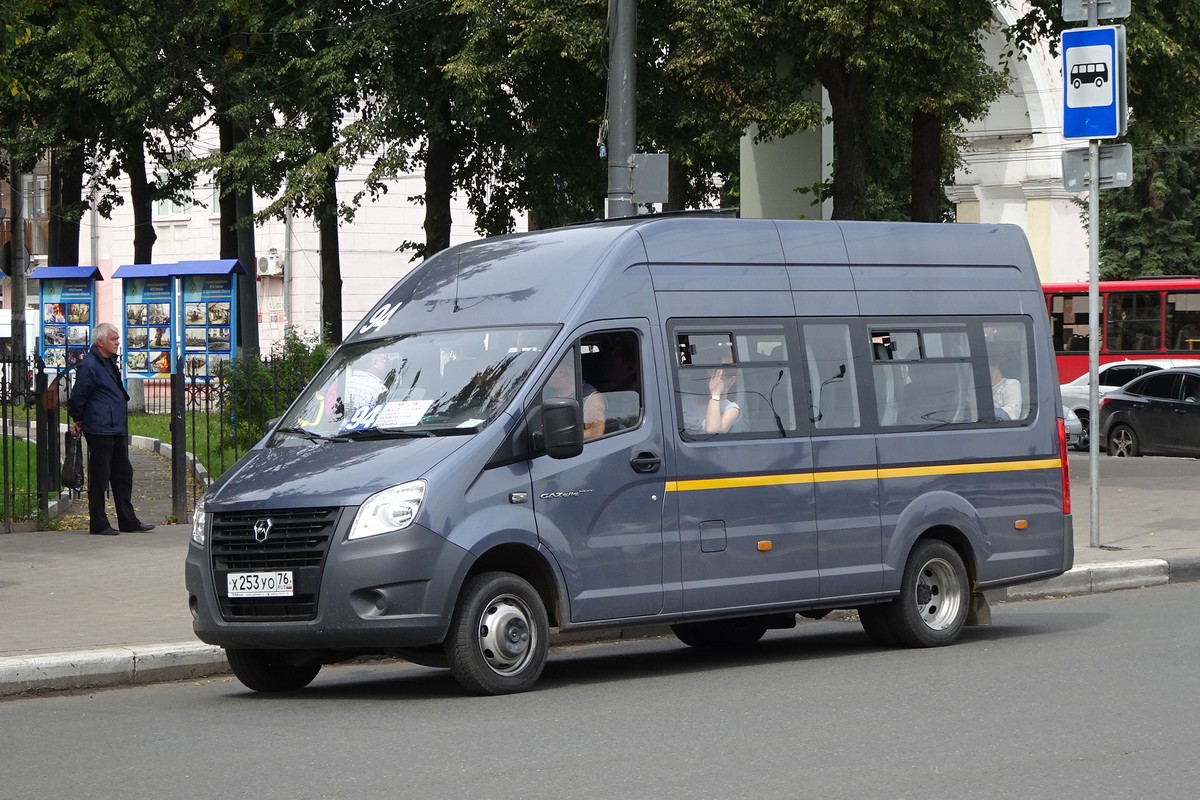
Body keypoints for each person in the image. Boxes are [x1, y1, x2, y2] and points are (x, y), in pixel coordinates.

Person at [67, 322, 155, 535]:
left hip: (115, 427)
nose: (117, 343)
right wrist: (79, 419)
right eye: (113, 340)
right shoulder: (89, 366)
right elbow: (78, 397)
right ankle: (98, 523)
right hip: (100, 429)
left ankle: (128, 521)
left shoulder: (107, 362)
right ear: (100, 342)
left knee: (123, 474)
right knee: (100, 476)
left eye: (117, 339)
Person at [544, 353, 606, 440]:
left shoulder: (590, 398)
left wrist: (563, 439)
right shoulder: (547, 394)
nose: (545, 377)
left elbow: (596, 431)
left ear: (561, 371)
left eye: (548, 370)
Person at [682, 365, 740, 434]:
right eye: (710, 376)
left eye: (717, 377)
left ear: (732, 380)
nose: (712, 381)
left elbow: (713, 430)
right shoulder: (688, 399)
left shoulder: (731, 408)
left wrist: (715, 394)